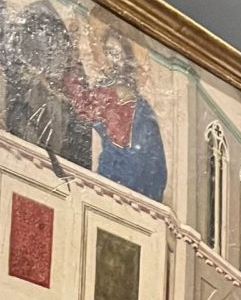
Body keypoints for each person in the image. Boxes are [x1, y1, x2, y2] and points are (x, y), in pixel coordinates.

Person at [63, 25, 168, 202]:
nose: (113, 59)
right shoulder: (108, 91)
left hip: (130, 173)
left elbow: (154, 158)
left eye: (117, 54)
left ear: (126, 58)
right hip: (113, 168)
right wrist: (73, 51)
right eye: (109, 52)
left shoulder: (140, 106)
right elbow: (83, 105)